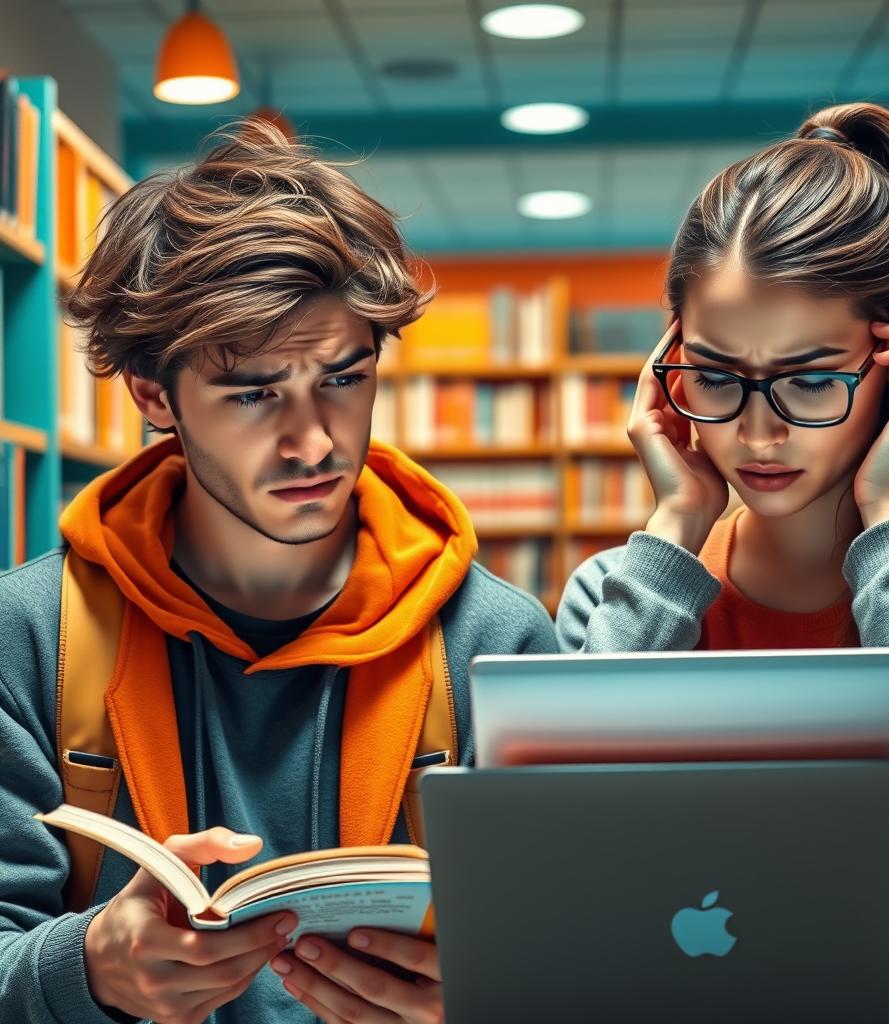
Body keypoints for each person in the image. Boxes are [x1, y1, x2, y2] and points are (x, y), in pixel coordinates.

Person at [0, 121, 556, 1024]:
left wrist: (495, 995)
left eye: (343, 378)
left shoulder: (496, 642)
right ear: (152, 396)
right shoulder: (27, 639)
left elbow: (572, 954)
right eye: (254, 393)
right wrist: (87, 966)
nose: (314, 442)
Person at [556, 102, 889, 1022]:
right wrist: (676, 523)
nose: (759, 431)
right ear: (669, 370)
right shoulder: (620, 595)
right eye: (719, 377)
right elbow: (540, 863)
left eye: (812, 378)